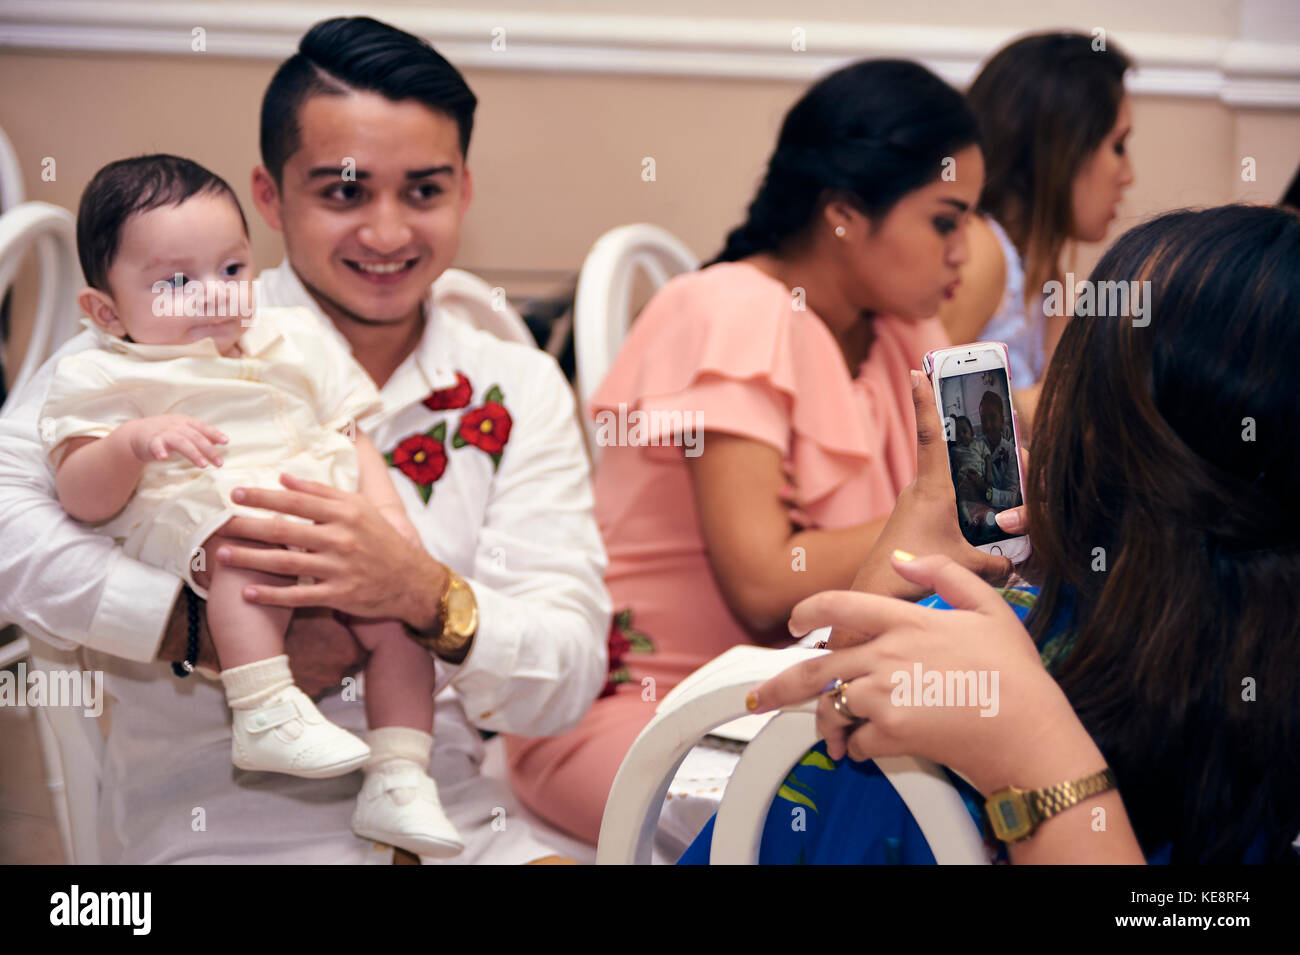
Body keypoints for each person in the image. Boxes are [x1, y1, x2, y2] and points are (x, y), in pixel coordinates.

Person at [0, 16, 609, 864]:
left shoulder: (518, 387)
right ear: (269, 194)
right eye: (344, 192)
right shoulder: (142, 347)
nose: (389, 232)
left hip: (456, 819)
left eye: (424, 191)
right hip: (227, 823)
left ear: (465, 191)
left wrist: (425, 595)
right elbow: (7, 537)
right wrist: (194, 629)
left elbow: (570, 673)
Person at [682, 204, 1300, 864]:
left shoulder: (970, 654)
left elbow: (792, 806)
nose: (965, 250)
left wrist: (1036, 754)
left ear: (1092, 432)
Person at [506, 59, 997, 846]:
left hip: (795, 698)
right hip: (649, 709)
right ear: (842, 213)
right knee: (881, 829)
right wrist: (948, 516)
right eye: (945, 219)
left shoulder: (899, 332)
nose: (965, 254)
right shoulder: (732, 309)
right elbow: (767, 581)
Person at [41, 154, 463, 856]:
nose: (214, 296)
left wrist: (390, 521)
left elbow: (350, 433)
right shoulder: (102, 370)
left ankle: (398, 773)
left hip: (324, 518)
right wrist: (132, 443)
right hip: (209, 514)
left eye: (232, 270)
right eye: (176, 282)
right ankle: (264, 706)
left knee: (400, 618)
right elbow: (77, 496)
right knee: (242, 549)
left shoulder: (293, 337)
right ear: (106, 310)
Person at [938, 31, 1135, 425]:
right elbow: (926, 411)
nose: (1128, 175)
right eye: (1117, 146)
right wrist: (1044, 401)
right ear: (1063, 151)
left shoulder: (1044, 274)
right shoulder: (982, 254)